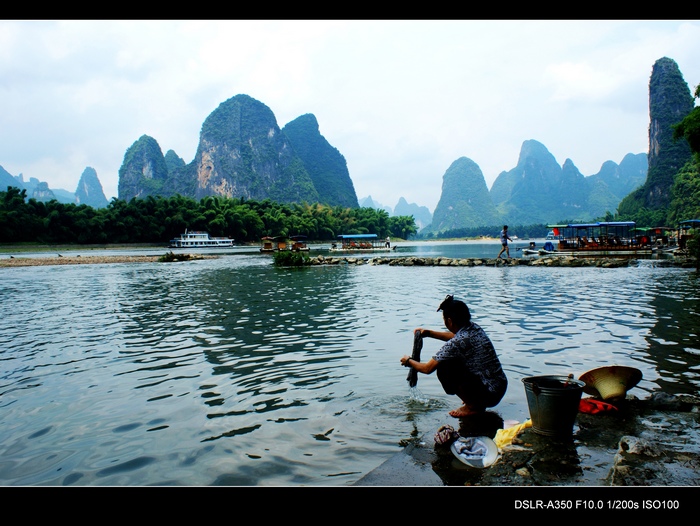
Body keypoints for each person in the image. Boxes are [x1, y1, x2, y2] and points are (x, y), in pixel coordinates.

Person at [400, 295, 508, 418]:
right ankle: (474, 399)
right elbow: (455, 337)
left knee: (444, 368)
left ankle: (472, 406)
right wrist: (429, 333)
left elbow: (427, 368)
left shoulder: (456, 343)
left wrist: (408, 361)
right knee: (456, 361)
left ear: (449, 321)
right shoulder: (474, 328)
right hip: (499, 386)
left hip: (490, 395)